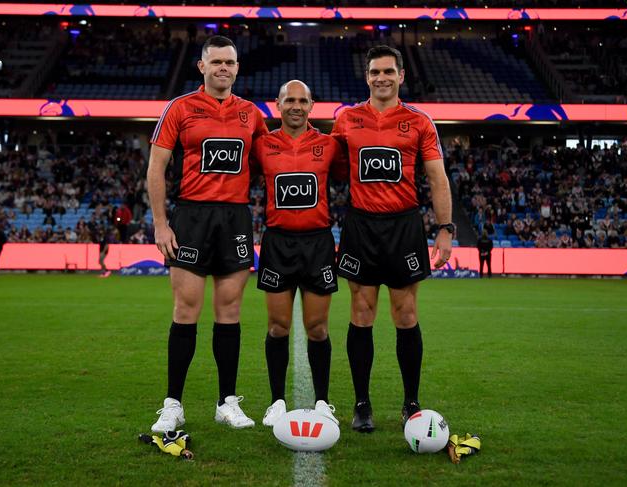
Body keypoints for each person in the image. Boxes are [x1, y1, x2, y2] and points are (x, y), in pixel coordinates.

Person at [147, 35, 268, 432]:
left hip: (234, 218)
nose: (223, 68)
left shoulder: (252, 114)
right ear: (201, 66)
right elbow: (156, 167)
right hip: (192, 217)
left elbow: (273, 162)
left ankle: (226, 402)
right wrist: (161, 223)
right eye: (216, 61)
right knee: (186, 311)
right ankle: (172, 404)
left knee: (229, 312)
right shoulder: (180, 108)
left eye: (229, 62)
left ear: (237, 68)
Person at [331, 45, 453, 432]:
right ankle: (362, 404)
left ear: (402, 75)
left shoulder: (419, 122)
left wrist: (445, 229)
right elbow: (326, 167)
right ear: (366, 77)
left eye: (388, 71)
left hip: (404, 226)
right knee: (361, 312)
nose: (380, 78)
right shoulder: (347, 119)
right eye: (374, 72)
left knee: (406, 314)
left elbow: (437, 177)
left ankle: (411, 402)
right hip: (361, 225)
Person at [250, 80, 346, 427]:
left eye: (302, 100)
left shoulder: (328, 145)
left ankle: (322, 401)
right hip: (277, 243)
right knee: (278, 326)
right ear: (277, 104)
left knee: (317, 328)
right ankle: (276, 401)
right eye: (289, 100)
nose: (295, 105)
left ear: (311, 105)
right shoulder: (262, 145)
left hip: (318, 243)